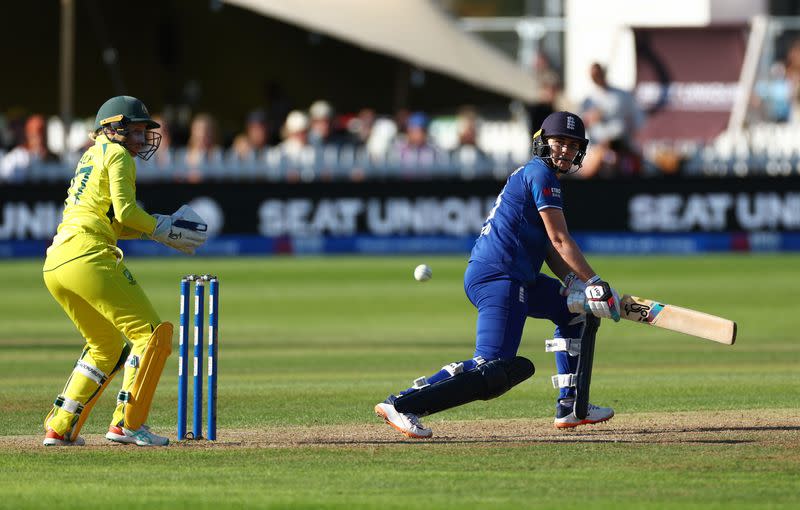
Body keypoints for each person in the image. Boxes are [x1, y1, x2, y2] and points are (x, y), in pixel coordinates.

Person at [375, 111, 621, 439]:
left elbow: (549, 249)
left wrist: (574, 285)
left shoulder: (539, 177)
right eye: (559, 142)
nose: (565, 150)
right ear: (542, 141)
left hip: (519, 278)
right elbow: (562, 241)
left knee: (574, 312)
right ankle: (403, 403)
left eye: (572, 145)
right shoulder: (540, 175)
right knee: (492, 366)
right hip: (499, 277)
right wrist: (595, 283)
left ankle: (572, 406)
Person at [41, 95, 208, 447]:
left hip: (57, 262)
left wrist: (159, 226)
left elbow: (114, 220)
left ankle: (60, 426)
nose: (141, 140)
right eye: (134, 131)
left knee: (104, 346)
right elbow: (128, 213)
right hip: (89, 256)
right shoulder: (117, 156)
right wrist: (158, 228)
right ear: (113, 129)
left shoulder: (92, 155)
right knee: (150, 335)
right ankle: (127, 425)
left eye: (143, 132)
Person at [579, 63, 645, 178]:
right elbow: (581, 124)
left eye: (598, 73)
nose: (596, 77)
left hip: (622, 144)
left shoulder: (622, 96)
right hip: (598, 146)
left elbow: (637, 118)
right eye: (593, 75)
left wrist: (629, 130)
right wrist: (590, 118)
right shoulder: (588, 100)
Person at [0, 114, 60, 183]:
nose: (39, 137)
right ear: (27, 133)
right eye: (35, 132)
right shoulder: (15, 158)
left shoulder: (54, 159)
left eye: (42, 132)